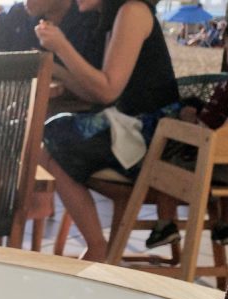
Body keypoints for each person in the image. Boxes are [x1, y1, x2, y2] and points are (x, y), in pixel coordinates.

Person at [35, 0, 179, 261]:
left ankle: (97, 247)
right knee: (52, 142)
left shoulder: (133, 11)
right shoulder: (116, 16)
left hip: (153, 136)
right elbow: (97, 93)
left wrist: (61, 46)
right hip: (131, 125)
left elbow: (107, 89)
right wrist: (53, 66)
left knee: (53, 136)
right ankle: (97, 246)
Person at [146, 2, 228, 249]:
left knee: (170, 152)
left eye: (226, 46)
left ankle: (165, 223)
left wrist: (186, 119)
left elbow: (205, 130)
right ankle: (227, 223)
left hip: (217, 167)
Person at [0, 0, 100, 63]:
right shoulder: (18, 15)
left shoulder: (91, 19)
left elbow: (98, 91)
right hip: (15, 110)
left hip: (68, 116)